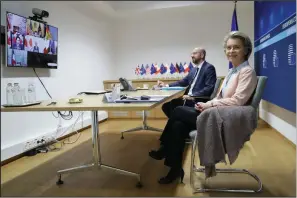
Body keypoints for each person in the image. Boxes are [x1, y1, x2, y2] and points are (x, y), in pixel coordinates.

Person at [149, 31, 257, 184]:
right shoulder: (232, 72)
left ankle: (164, 149)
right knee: (178, 125)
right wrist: (208, 105)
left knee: (178, 110)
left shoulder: (247, 72)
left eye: (236, 47)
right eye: (229, 48)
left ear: (246, 50)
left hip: (223, 117)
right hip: (215, 110)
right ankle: (174, 169)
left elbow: (238, 101)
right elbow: (220, 97)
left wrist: (208, 104)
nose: (231, 51)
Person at [157, 48, 217, 118]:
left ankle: (180, 122)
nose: (192, 55)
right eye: (191, 54)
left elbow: (209, 87)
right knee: (166, 106)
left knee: (175, 109)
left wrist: (193, 96)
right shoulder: (193, 69)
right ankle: (180, 122)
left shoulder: (209, 68)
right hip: (187, 99)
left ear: (202, 55)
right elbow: (182, 82)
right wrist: (166, 85)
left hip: (197, 100)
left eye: (194, 53)